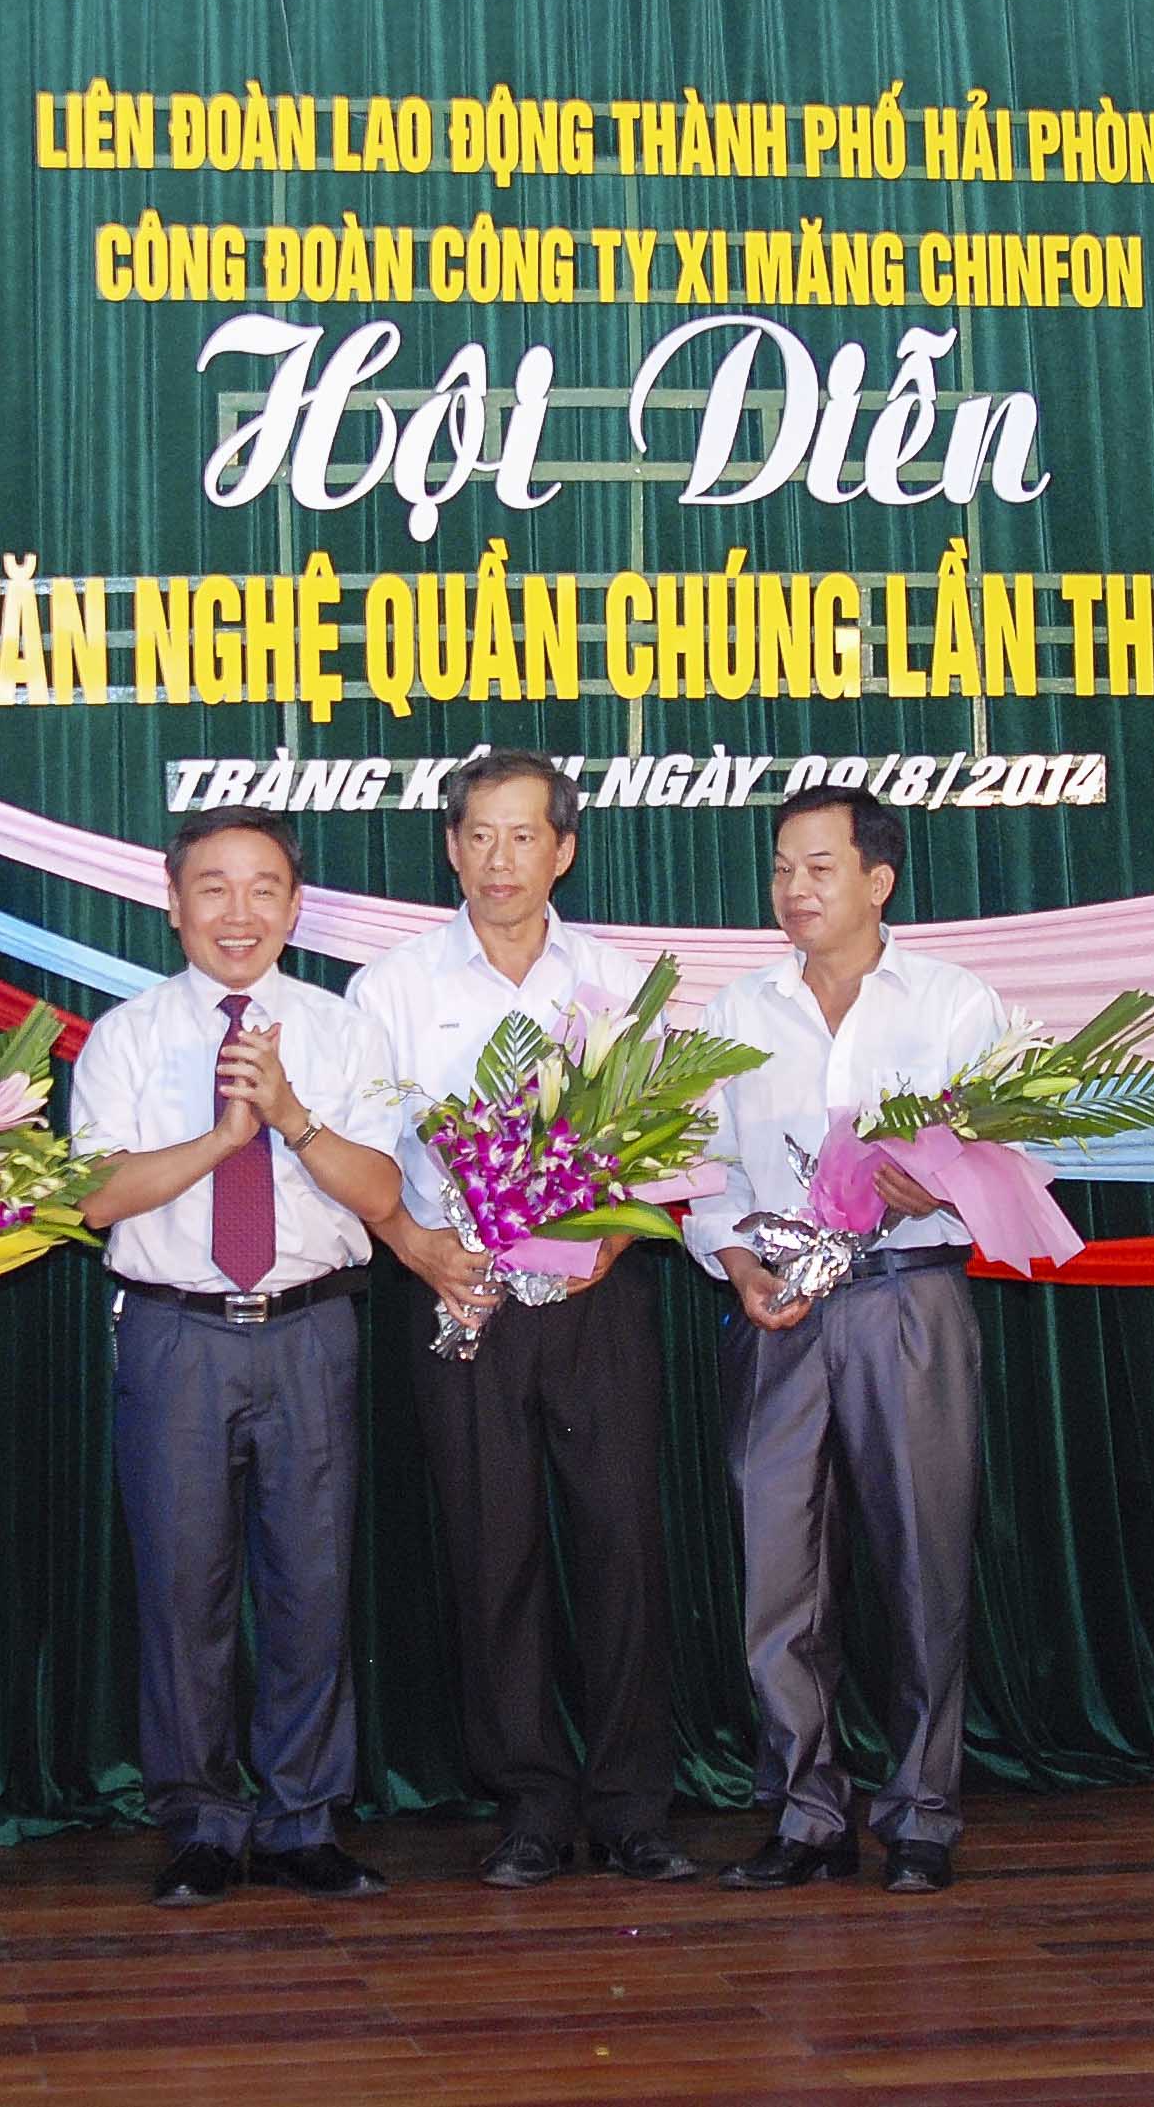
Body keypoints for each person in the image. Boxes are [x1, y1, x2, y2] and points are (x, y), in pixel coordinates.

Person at [343, 751, 699, 1888]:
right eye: (480, 836)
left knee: (621, 1544)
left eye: (524, 836)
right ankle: (531, 1803)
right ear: (452, 848)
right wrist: (418, 1246)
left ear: (564, 850)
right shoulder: (391, 990)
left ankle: (635, 1805)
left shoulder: (616, 981)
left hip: (598, 1299)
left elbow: (670, 1141)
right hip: (462, 1298)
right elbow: (361, 1156)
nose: (501, 859)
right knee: (490, 1548)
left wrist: (614, 1239)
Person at [74, 805, 406, 1910]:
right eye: (212, 887)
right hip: (175, 1331)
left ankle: (305, 1817)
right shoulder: (125, 1036)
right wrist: (221, 1140)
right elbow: (93, 1197)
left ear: (296, 907)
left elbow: (384, 1192)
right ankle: (203, 1822)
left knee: (312, 1584)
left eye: (264, 888)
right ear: (173, 903)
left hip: (312, 1327)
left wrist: (291, 1116)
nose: (238, 911)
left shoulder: (344, 1032)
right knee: (184, 1588)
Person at [685, 785, 1011, 1896]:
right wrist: (736, 1261)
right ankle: (804, 1812)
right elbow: (706, 1174)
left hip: (906, 1300)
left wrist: (942, 1182)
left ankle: (921, 1815)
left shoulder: (955, 1003)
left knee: (922, 1562)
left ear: (879, 880)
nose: (794, 888)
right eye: (783, 867)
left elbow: (1018, 1152)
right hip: (777, 1308)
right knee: (779, 1572)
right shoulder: (736, 1013)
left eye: (819, 868)